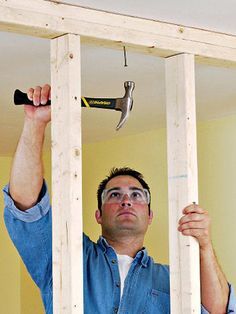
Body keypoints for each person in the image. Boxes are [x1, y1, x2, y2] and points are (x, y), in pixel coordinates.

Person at [3, 84, 236, 314]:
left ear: (150, 215)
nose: (126, 201)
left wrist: (204, 245)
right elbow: (26, 206)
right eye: (114, 195)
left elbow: (219, 310)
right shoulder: (67, 257)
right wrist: (35, 123)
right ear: (99, 215)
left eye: (137, 195)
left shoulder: (171, 280)